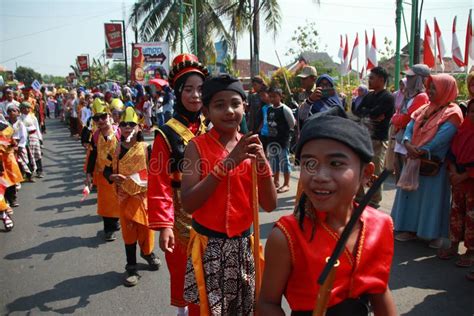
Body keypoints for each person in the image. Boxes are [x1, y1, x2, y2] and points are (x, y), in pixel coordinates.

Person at [258, 114, 396, 316]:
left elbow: (380, 290)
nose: (320, 176)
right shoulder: (287, 236)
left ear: (366, 173)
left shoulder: (381, 224)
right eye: (310, 164)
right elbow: (267, 303)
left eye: (336, 164)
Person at [181, 74, 277, 315]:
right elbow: (189, 203)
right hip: (209, 247)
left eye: (235, 103)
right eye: (219, 105)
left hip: (245, 246)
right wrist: (227, 165)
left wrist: (263, 163)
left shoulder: (252, 146)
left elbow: (270, 204)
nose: (229, 111)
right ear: (206, 111)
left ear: (244, 106)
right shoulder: (196, 146)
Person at [147, 53, 209, 316]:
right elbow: (159, 182)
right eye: (189, 89)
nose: (195, 96)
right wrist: (163, 226)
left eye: (200, 90)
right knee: (185, 272)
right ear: (178, 92)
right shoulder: (165, 134)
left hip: (210, 212)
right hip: (180, 216)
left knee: (208, 274)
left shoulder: (212, 126)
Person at [391, 74, 464, 248]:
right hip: (415, 158)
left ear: (446, 90)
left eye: (434, 88)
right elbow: (410, 125)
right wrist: (408, 143)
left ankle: (434, 234)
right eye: (429, 87)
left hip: (434, 164)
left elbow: (443, 138)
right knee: (411, 194)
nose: (430, 91)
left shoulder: (453, 113)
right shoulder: (425, 108)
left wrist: (422, 149)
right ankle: (409, 229)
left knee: (432, 199)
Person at [104, 107, 160, 286]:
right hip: (124, 197)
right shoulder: (115, 149)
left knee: (146, 229)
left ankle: (148, 253)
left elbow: (156, 171)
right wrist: (112, 176)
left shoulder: (146, 148)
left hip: (143, 197)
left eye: (131, 124)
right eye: (124, 124)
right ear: (119, 127)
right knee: (129, 233)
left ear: (138, 127)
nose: (127, 127)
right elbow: (106, 169)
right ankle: (131, 267)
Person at [437, 99, 474, 268]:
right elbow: (452, 153)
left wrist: (464, 175)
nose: (472, 115)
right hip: (458, 181)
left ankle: (470, 251)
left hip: (470, 182)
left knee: (471, 218)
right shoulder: (462, 131)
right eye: (471, 111)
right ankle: (453, 246)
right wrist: (453, 171)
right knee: (456, 215)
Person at [353, 66, 395, 209]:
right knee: (359, 168)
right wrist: (371, 114)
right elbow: (358, 112)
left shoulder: (388, 97)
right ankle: (359, 197)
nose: (369, 80)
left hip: (378, 139)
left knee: (374, 171)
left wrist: (370, 114)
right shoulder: (369, 96)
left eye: (372, 77)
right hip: (363, 137)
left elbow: (375, 113)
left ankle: (373, 200)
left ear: (381, 80)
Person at [85, 99, 120, 241]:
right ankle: (109, 229)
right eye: (96, 118)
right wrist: (88, 173)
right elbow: (92, 155)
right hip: (103, 175)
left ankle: (116, 220)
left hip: (119, 173)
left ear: (110, 116)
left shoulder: (119, 132)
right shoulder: (95, 136)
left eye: (103, 117)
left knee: (120, 200)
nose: (100, 121)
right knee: (106, 203)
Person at [390, 65, 431, 178]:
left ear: (419, 79)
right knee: (399, 176)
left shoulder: (422, 97)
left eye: (411, 77)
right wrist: (397, 118)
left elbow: (406, 119)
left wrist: (395, 118)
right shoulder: (408, 95)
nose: (407, 79)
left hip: (410, 143)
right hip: (401, 141)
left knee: (406, 179)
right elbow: (400, 116)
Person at [267, 87, 296, 193]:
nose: (272, 99)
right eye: (270, 96)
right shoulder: (269, 109)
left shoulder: (285, 109)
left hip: (283, 140)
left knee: (284, 161)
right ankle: (276, 181)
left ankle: (286, 184)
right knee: (274, 161)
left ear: (280, 96)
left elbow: (292, 123)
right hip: (272, 140)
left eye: (274, 96)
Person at [7, 104, 34, 183]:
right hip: (9, 145)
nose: (12, 113)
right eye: (9, 111)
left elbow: (24, 136)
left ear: (18, 112)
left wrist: (20, 146)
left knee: (24, 160)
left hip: (20, 144)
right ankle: (18, 177)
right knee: (13, 162)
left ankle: (30, 175)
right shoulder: (6, 124)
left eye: (14, 111)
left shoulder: (20, 123)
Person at [19, 102, 43, 178]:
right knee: (28, 156)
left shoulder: (33, 117)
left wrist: (40, 139)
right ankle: (30, 172)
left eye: (28, 108)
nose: (27, 109)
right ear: (21, 109)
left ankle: (39, 170)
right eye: (24, 108)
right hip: (25, 139)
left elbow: (37, 128)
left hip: (34, 137)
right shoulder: (19, 118)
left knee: (37, 154)